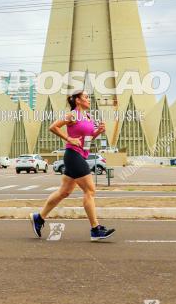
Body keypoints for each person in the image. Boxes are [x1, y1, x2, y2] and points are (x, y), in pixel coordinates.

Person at [31, 91, 115, 241]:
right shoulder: (73, 115)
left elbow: (86, 140)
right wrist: (69, 138)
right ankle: (95, 229)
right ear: (78, 100)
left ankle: (39, 217)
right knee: (90, 190)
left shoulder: (88, 117)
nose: (89, 100)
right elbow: (53, 127)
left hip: (80, 155)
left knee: (64, 192)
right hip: (73, 155)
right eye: (86, 97)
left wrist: (98, 132)